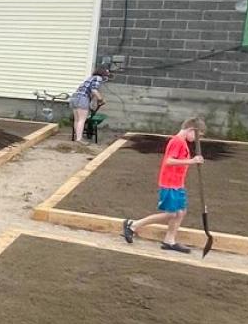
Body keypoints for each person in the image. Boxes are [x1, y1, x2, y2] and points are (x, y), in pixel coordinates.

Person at [122, 118, 207, 254]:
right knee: (172, 213)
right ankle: (133, 225)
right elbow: (169, 161)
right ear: (191, 130)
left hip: (177, 183)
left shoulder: (183, 142)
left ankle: (169, 240)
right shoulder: (177, 141)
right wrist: (192, 161)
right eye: (199, 136)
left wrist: (192, 161)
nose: (198, 140)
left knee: (181, 212)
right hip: (169, 183)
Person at [70, 67, 110, 144]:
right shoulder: (98, 78)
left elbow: (91, 94)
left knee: (77, 120)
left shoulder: (90, 78)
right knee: (82, 120)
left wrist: (93, 104)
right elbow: (94, 90)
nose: (106, 76)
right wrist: (101, 99)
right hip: (82, 98)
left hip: (74, 98)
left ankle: (77, 138)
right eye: (106, 74)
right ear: (102, 73)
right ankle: (79, 140)